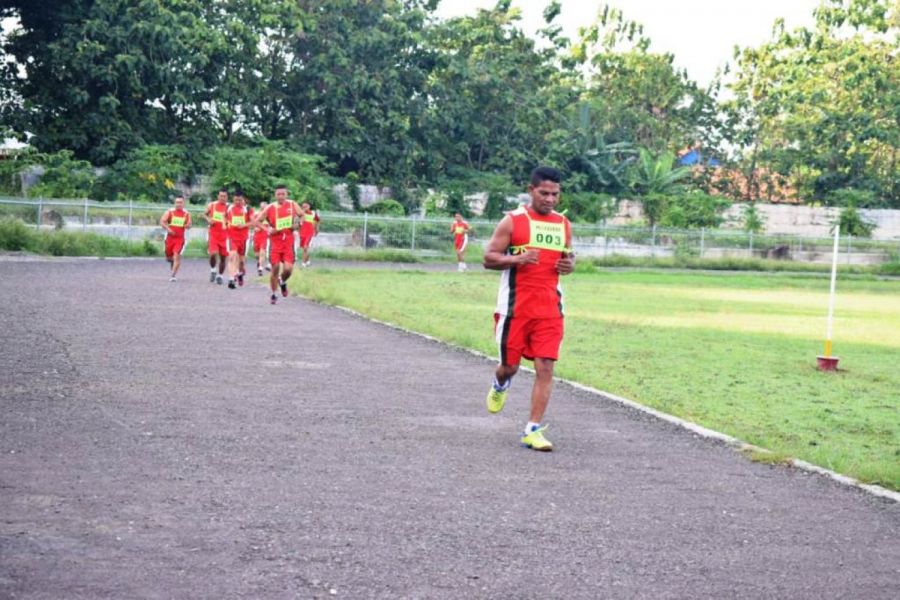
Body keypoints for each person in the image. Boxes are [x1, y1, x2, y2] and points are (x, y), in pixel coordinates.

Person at [482, 166, 575, 452]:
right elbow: (488, 258)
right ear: (531, 190)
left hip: (549, 310)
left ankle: (532, 429)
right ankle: (500, 384)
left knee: (545, 366)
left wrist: (570, 265)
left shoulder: (563, 223)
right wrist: (518, 258)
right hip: (515, 310)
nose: (549, 199)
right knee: (509, 367)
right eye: (544, 193)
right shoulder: (513, 221)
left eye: (555, 194)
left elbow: (568, 258)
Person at [251, 185, 302, 305]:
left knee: (288, 269)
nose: (281, 196)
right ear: (275, 195)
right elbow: (256, 221)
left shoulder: (292, 204)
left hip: (288, 241)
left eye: (283, 194)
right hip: (275, 242)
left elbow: (301, 215)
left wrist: (299, 224)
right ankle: (274, 294)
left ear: (287, 194)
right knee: (275, 268)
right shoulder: (270, 208)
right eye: (278, 194)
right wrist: (267, 229)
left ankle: (282, 281)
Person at [159, 194, 192, 281]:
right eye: (177, 202)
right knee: (169, 257)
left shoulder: (186, 213)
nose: (178, 204)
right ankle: (171, 261)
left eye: (180, 202)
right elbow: (162, 222)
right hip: (169, 238)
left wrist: (188, 225)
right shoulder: (170, 212)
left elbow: (189, 225)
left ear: (183, 203)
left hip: (180, 239)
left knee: (176, 255)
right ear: (174, 203)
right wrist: (168, 229)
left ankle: (173, 276)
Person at [225, 190, 253, 289]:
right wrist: (225, 224)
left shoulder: (248, 209)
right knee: (232, 257)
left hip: (244, 238)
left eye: (240, 200)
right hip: (232, 236)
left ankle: (240, 273)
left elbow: (253, 222)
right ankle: (231, 279)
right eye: (236, 200)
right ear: (233, 199)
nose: (238, 202)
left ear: (243, 200)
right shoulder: (228, 208)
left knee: (241, 261)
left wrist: (244, 225)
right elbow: (224, 218)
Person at [204, 188, 230, 284]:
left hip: (225, 236)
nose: (222, 198)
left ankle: (220, 275)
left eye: (224, 196)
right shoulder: (212, 205)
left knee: (223, 257)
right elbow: (204, 214)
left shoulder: (229, 207)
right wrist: (209, 220)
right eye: (221, 196)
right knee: (213, 254)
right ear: (218, 196)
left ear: (227, 197)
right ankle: (213, 270)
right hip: (213, 234)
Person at [298, 201, 320, 267]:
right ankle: (308, 260)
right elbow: (299, 222)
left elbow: (317, 221)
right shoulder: (301, 213)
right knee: (304, 248)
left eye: (306, 206)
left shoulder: (313, 213)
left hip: (309, 233)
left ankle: (303, 263)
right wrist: (303, 214)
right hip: (302, 233)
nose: (304, 208)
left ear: (309, 206)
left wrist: (317, 230)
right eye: (303, 207)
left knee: (305, 247)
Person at [252, 201, 270, 276]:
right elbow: (252, 223)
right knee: (257, 255)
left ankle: (260, 268)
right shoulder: (256, 214)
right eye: (262, 207)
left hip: (265, 236)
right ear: (260, 207)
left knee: (262, 252)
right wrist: (255, 227)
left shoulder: (269, 215)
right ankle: (259, 262)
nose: (264, 208)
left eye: (265, 207)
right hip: (256, 236)